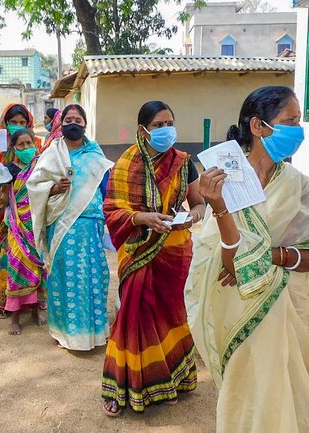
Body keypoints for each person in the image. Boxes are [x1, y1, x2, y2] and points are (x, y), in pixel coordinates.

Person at [185, 86, 309, 433]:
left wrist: (271, 256)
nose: (297, 130)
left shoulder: (297, 184)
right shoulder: (224, 178)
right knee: (253, 390)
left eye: (298, 121)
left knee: (299, 386)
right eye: (289, 121)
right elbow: (226, 265)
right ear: (258, 126)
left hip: (290, 305)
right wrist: (222, 210)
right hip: (241, 308)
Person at [101, 101, 205, 416]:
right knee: (132, 318)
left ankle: (171, 380)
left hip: (174, 253)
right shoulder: (124, 164)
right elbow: (112, 210)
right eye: (158, 125)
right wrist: (143, 218)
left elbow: (199, 203)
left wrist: (191, 218)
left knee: (171, 317)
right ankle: (121, 386)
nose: (165, 130)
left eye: (169, 123)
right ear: (142, 130)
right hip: (138, 253)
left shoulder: (184, 162)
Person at [28, 104, 114, 350]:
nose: (73, 123)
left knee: (93, 275)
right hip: (62, 226)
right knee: (65, 276)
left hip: (91, 226)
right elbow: (34, 186)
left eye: (78, 119)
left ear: (85, 124)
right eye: (68, 119)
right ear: (61, 123)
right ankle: (66, 332)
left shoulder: (95, 154)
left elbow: (106, 190)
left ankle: (95, 332)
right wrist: (53, 188)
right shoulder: (52, 153)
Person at [0, 103, 41, 308]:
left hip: (31, 216)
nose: (18, 126)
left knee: (33, 256)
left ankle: (34, 300)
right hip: (6, 214)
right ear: (6, 123)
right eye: (13, 122)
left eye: (22, 122)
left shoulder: (36, 148)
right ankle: (6, 300)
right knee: (6, 255)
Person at [0, 128, 46, 335]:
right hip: (17, 226)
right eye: (21, 145)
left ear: (35, 144)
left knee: (37, 268)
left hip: (37, 225)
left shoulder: (41, 166)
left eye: (29, 144)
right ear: (14, 149)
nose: (26, 148)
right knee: (16, 268)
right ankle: (14, 316)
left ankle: (35, 309)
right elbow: (6, 200)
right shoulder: (9, 170)